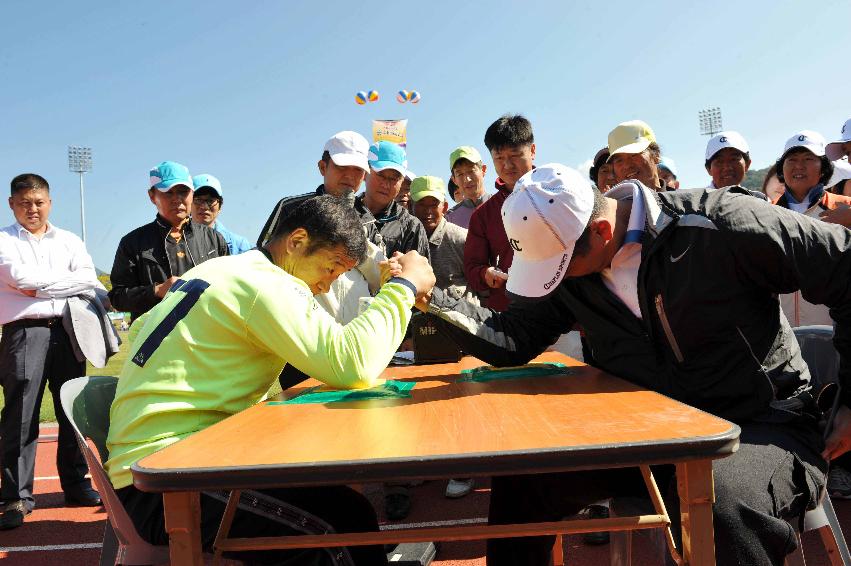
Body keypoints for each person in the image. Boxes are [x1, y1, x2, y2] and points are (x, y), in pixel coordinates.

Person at [420, 163, 851, 565]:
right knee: (524, 475)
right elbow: (510, 338)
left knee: (722, 509)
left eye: (561, 266)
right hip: (646, 431)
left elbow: (845, 266)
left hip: (759, 426)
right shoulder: (572, 258)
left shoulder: (721, 222)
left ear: (602, 230)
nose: (559, 278)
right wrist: (426, 297)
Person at [106, 195, 435, 566]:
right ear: (296, 242)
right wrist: (404, 287)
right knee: (330, 538)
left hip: (172, 463)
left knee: (351, 511)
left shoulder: (228, 269)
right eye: (330, 269)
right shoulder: (268, 284)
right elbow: (352, 362)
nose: (327, 287)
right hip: (170, 478)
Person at [0, 174, 102, 530]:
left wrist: (41, 289)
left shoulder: (70, 240)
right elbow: (19, 279)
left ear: (50, 202)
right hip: (23, 332)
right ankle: (16, 496)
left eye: (39, 202)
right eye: (25, 202)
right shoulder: (3, 241)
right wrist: (60, 286)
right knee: (21, 414)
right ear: (12, 204)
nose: (33, 209)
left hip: (69, 328)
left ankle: (76, 485)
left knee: (72, 412)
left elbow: (89, 279)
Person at [108, 161, 228, 323]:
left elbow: (228, 286)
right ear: (152, 196)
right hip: (157, 340)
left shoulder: (214, 239)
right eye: (168, 193)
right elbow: (117, 298)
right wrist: (157, 290)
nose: (177, 199)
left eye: (183, 192)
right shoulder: (132, 243)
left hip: (205, 335)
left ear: (192, 194)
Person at [464, 114, 536, 312]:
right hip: (510, 310)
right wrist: (485, 274)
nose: (507, 165)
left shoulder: (561, 194)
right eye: (499, 158)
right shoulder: (483, 215)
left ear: (532, 150)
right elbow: (472, 266)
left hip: (563, 312)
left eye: (514, 155)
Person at [357, 141, 430, 259]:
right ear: (365, 172)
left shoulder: (411, 226)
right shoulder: (344, 212)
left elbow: (421, 275)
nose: (386, 184)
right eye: (380, 175)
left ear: (402, 181)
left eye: (394, 178)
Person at [190, 173, 251, 255]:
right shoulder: (173, 241)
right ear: (188, 203)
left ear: (220, 206)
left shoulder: (241, 246)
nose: (204, 206)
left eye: (210, 200)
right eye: (198, 200)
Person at [606, 120, 666, 192]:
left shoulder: (681, 201)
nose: (627, 165)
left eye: (634, 154)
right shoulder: (607, 202)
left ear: (656, 155)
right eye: (619, 160)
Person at [445, 146, 490, 229]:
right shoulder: (449, 219)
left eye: (471, 171)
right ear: (454, 179)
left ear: (483, 170)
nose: (467, 179)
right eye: (460, 174)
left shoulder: (503, 205)